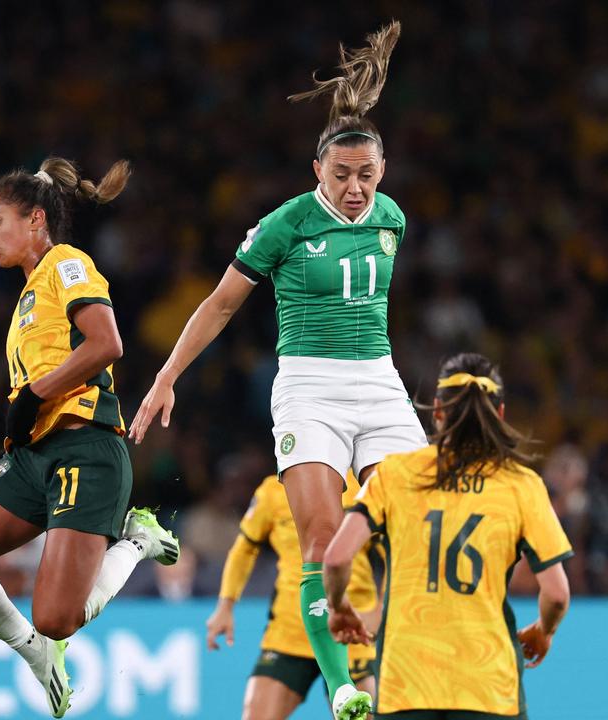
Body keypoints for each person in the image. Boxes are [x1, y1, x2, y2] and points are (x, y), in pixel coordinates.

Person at [130, 20, 421, 719]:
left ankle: (410, 665)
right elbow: (221, 305)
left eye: (367, 175)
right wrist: (168, 375)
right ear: (316, 172)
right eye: (342, 174)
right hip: (310, 391)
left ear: (382, 174)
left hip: (380, 385)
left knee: (417, 521)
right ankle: (343, 687)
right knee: (320, 542)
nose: (355, 188)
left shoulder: (393, 220)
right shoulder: (285, 224)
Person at [0, 157, 179, 718]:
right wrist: (23, 425)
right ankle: (36, 654)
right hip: (36, 456)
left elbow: (106, 343)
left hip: (87, 451)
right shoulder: (25, 300)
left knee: (57, 617)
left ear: (36, 218)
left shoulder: (65, 263)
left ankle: (138, 538)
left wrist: (35, 396)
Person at [324, 352, 573, 719]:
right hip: (489, 686)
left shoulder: (394, 473)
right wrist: (544, 630)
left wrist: (339, 606)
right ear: (500, 413)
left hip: (404, 685)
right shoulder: (522, 485)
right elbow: (556, 594)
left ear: (438, 409)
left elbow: (336, 558)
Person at [206, 472, 382, 720]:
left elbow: (393, 547)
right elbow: (245, 547)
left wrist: (382, 607)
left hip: (350, 630)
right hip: (290, 632)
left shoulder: (362, 488)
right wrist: (225, 605)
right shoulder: (272, 490)